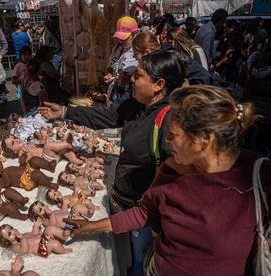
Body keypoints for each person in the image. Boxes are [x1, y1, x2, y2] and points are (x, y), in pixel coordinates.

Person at [65, 85, 271, 276]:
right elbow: (145, 212)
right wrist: (90, 226)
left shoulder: (258, 175)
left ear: (205, 139)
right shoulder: (171, 169)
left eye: (173, 135)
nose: (167, 141)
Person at [40, 50, 186, 276]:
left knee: (141, 263)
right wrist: (68, 112)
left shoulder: (167, 123)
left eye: (138, 76)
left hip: (145, 218)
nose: (131, 80)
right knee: (132, 259)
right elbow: (109, 117)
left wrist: (157, 225)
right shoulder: (139, 107)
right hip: (128, 210)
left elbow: (172, 185)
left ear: (158, 84)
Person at [132, 31, 210, 85]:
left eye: (136, 53)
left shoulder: (167, 60)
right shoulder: (158, 59)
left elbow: (204, 78)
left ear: (147, 52)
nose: (133, 56)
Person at [105, 16, 139, 107]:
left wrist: (124, 79)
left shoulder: (138, 52)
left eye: (125, 38)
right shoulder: (117, 47)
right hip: (112, 97)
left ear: (134, 33)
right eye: (119, 37)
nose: (121, 41)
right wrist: (109, 74)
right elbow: (111, 66)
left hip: (126, 100)